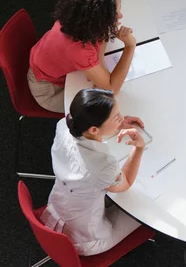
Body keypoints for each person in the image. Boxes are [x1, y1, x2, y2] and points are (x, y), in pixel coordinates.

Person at [40, 88, 146, 256]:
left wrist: (116, 124)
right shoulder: (104, 166)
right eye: (116, 116)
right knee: (146, 210)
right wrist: (139, 148)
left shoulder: (63, 126)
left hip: (56, 212)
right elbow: (124, 183)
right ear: (94, 129)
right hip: (87, 240)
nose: (121, 118)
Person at [28, 0, 136, 114]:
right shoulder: (78, 49)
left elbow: (97, 51)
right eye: (114, 15)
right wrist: (129, 47)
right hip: (50, 91)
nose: (120, 17)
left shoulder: (75, 18)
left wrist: (102, 40)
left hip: (51, 70)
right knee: (102, 109)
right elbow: (111, 89)